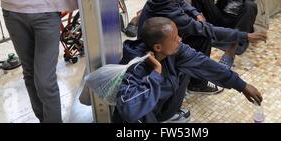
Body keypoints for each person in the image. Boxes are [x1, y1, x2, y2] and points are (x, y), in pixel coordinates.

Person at [137, 0, 267, 94]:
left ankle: (192, 80)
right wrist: (244, 36)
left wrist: (196, 13)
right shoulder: (172, 15)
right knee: (203, 38)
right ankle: (198, 84)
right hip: (155, 56)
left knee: (201, 34)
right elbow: (205, 45)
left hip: (154, 44)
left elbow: (181, 3)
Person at [113, 17, 263, 123]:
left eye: (178, 35)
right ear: (158, 47)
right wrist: (156, 74)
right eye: (174, 38)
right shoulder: (134, 66)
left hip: (160, 107)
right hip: (139, 117)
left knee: (188, 67)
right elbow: (130, 111)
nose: (180, 39)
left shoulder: (176, 51)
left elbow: (205, 65)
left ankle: (168, 115)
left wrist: (241, 85)